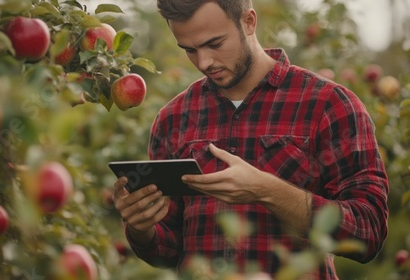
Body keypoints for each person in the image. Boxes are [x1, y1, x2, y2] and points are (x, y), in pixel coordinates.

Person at [112, 0, 389, 279]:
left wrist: (266, 190)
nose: (204, 62)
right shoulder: (173, 118)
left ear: (249, 22)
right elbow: (169, 251)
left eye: (215, 44)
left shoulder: (328, 105)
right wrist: (142, 228)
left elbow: (369, 231)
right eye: (190, 50)